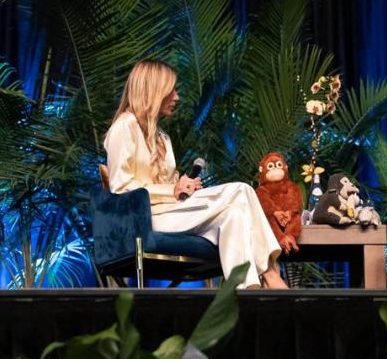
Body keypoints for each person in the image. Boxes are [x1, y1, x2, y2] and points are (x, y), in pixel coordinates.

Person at [104, 59, 288, 289]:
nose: (177, 97)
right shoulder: (124, 126)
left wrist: (182, 187)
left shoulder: (163, 138)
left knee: (235, 214)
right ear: (153, 90)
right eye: (172, 90)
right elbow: (120, 189)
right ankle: (271, 273)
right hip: (145, 220)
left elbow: (168, 188)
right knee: (241, 190)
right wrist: (170, 190)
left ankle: (246, 290)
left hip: (173, 212)